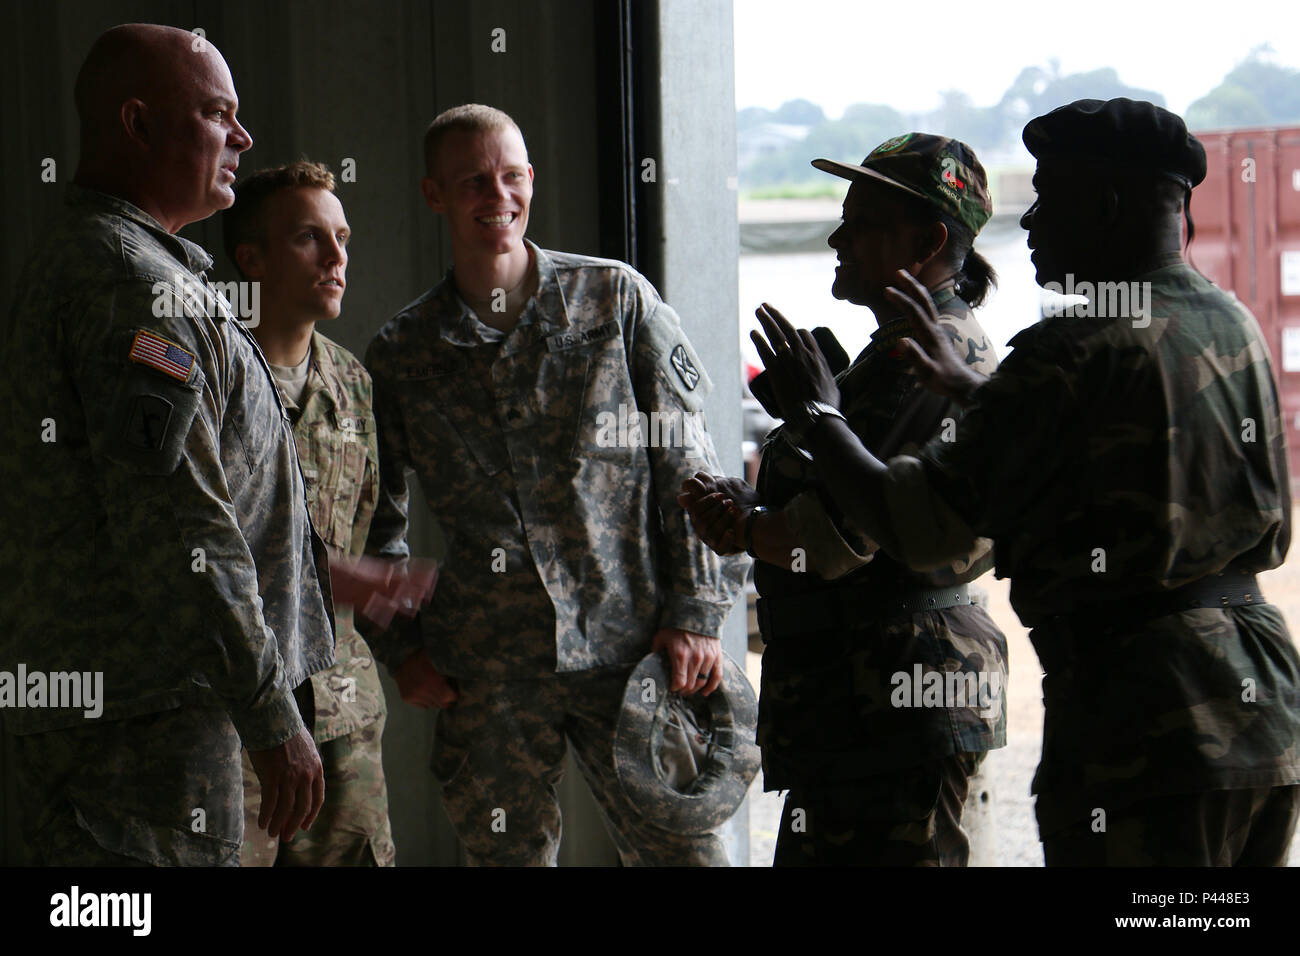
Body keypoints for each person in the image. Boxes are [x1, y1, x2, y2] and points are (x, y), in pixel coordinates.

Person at [751, 98, 1300, 866]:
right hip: (1260, 702)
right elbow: (1118, 447)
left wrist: (818, 418)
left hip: (1150, 720)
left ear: (1104, 206)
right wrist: (983, 399)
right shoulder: (1227, 319)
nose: (1033, 223)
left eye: (1050, 199)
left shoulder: (1068, 348)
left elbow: (916, 526)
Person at [362, 103, 749, 866]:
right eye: (472, 181)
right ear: (434, 194)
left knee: (688, 853)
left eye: (511, 177)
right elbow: (374, 520)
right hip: (489, 674)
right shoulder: (404, 353)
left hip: (632, 645)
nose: (496, 197)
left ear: (531, 181)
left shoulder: (614, 300)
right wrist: (402, 647)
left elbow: (691, 465)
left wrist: (699, 609)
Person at [0, 24, 332, 865]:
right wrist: (270, 714)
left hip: (134, 720)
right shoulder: (133, 288)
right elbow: (180, 530)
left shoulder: (127, 267)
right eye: (218, 113)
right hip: (140, 741)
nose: (244, 139)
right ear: (138, 124)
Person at [680, 134, 1008, 866]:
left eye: (862, 222)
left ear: (926, 241)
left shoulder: (920, 359)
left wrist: (746, 524)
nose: (837, 237)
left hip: (891, 703)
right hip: (870, 704)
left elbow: (836, 540)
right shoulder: (906, 349)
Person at [224, 160, 420, 866]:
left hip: (343, 716)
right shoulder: (206, 374)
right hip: (233, 721)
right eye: (311, 238)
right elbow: (188, 549)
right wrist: (329, 576)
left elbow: (380, 530)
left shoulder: (353, 383)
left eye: (343, 237)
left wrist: (391, 603)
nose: (338, 258)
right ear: (252, 258)